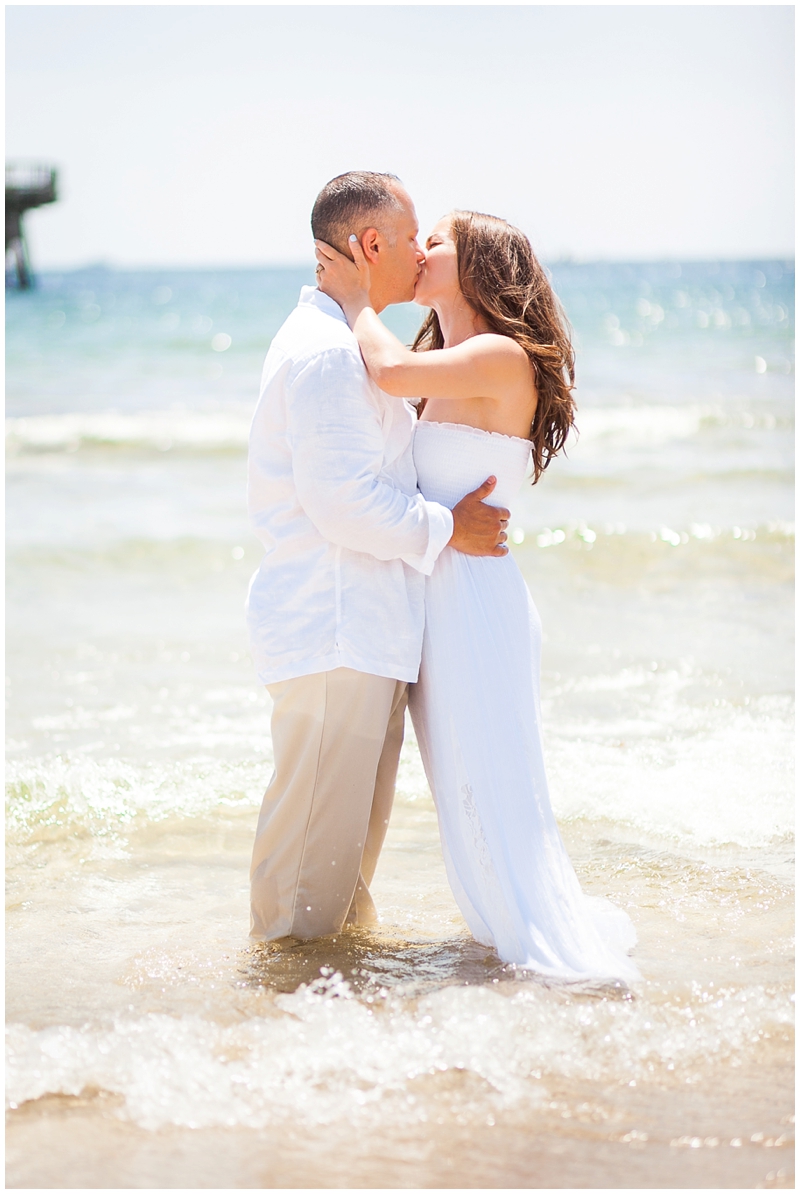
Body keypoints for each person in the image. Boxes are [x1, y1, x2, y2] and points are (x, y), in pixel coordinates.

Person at [315, 210, 640, 981]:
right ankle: (502, 927)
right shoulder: (452, 354)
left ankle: (541, 944)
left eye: (437, 242)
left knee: (495, 781)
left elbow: (386, 373)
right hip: (443, 602)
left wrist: (357, 298)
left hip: (480, 605)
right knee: (462, 782)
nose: (419, 249)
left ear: (481, 265)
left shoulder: (499, 355)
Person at [246, 173, 509, 942]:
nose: (423, 246)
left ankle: (335, 1026)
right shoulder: (328, 354)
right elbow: (343, 502)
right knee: (306, 879)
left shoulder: (342, 343)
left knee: (342, 868)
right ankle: (274, 1023)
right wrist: (445, 527)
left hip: (360, 635)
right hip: (336, 635)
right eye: (411, 233)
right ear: (369, 246)